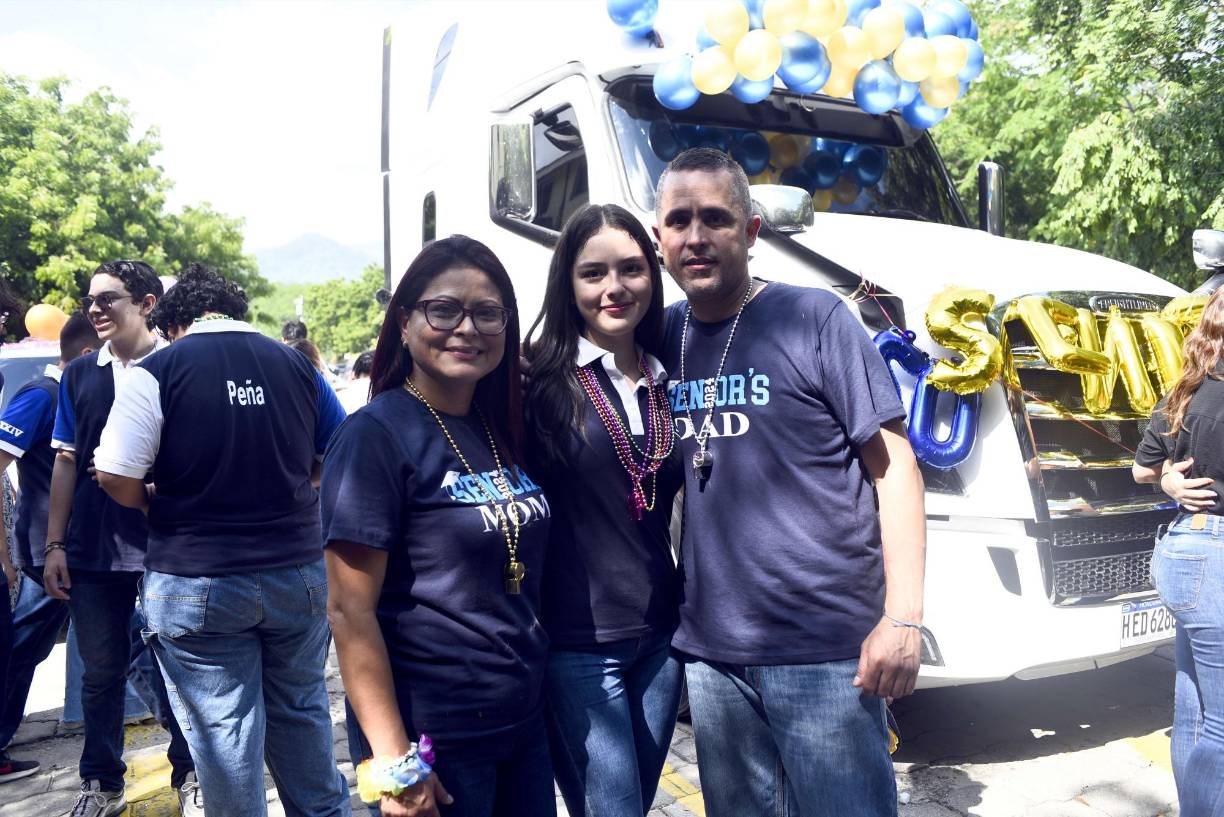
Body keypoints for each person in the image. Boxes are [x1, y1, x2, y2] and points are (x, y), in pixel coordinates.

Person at [650, 148, 926, 817]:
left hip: (825, 651)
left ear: (751, 231)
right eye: (678, 220)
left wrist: (905, 618)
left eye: (715, 218)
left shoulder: (815, 318)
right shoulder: (663, 333)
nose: (695, 236)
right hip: (713, 656)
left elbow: (896, 467)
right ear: (658, 238)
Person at [93, 263, 350, 817]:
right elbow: (339, 451)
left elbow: (113, 473)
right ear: (237, 310)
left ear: (175, 321)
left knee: (225, 737)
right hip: (297, 575)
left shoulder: (157, 368)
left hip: (196, 580)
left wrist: (156, 501)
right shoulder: (297, 365)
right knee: (303, 715)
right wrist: (294, 484)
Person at [322, 235, 556, 817]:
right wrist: (395, 763)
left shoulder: (500, 424)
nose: (466, 328)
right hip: (437, 739)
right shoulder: (374, 437)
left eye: (487, 312)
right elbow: (349, 613)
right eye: (444, 309)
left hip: (522, 722)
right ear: (404, 322)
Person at [523, 204, 683, 817]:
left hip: (661, 640)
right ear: (568, 284)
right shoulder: (534, 382)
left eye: (631, 269)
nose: (614, 288)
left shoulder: (667, 378)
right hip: (578, 644)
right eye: (593, 273)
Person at [42, 261, 197, 817]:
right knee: (101, 672)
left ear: (148, 303)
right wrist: (54, 545)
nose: (96, 309)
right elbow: (65, 460)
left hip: (167, 544)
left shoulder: (178, 365)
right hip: (93, 547)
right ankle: (101, 782)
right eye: (91, 301)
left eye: (109, 299)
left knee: (181, 668)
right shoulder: (80, 375)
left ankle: (193, 771)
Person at [1132, 288, 1224, 816]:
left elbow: (1140, 470)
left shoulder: (1185, 393)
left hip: (1184, 551)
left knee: (1194, 710)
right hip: (1213, 561)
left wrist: (1168, 479)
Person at [0, 312, 98, 783]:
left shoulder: (67, 394)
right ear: (85, 355)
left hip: (57, 547)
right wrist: (4, 553)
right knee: (22, 642)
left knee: (27, 644)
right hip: (46, 550)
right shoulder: (43, 396)